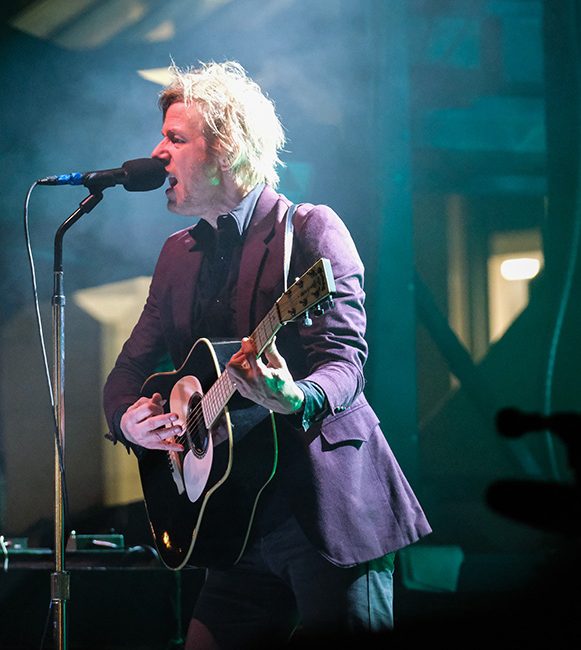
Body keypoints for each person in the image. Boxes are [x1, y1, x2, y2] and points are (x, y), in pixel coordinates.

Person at [102, 61, 431, 648]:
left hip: (322, 513)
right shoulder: (177, 255)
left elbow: (345, 364)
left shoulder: (309, 230)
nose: (158, 153)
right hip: (233, 522)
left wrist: (295, 395)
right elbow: (129, 369)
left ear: (225, 147)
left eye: (176, 139)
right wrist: (131, 419)